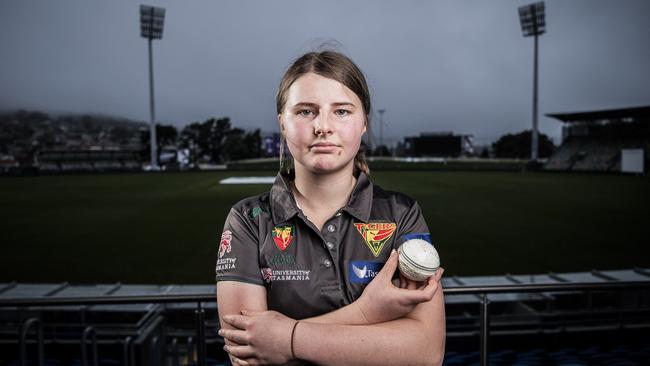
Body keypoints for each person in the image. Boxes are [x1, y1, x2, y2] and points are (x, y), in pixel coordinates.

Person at [215, 50, 445, 366]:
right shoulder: (248, 220)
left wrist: (286, 338)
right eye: (306, 111)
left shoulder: (401, 214)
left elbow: (426, 351)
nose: (323, 126)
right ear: (282, 122)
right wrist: (368, 313)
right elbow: (249, 356)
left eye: (341, 111)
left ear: (364, 121)